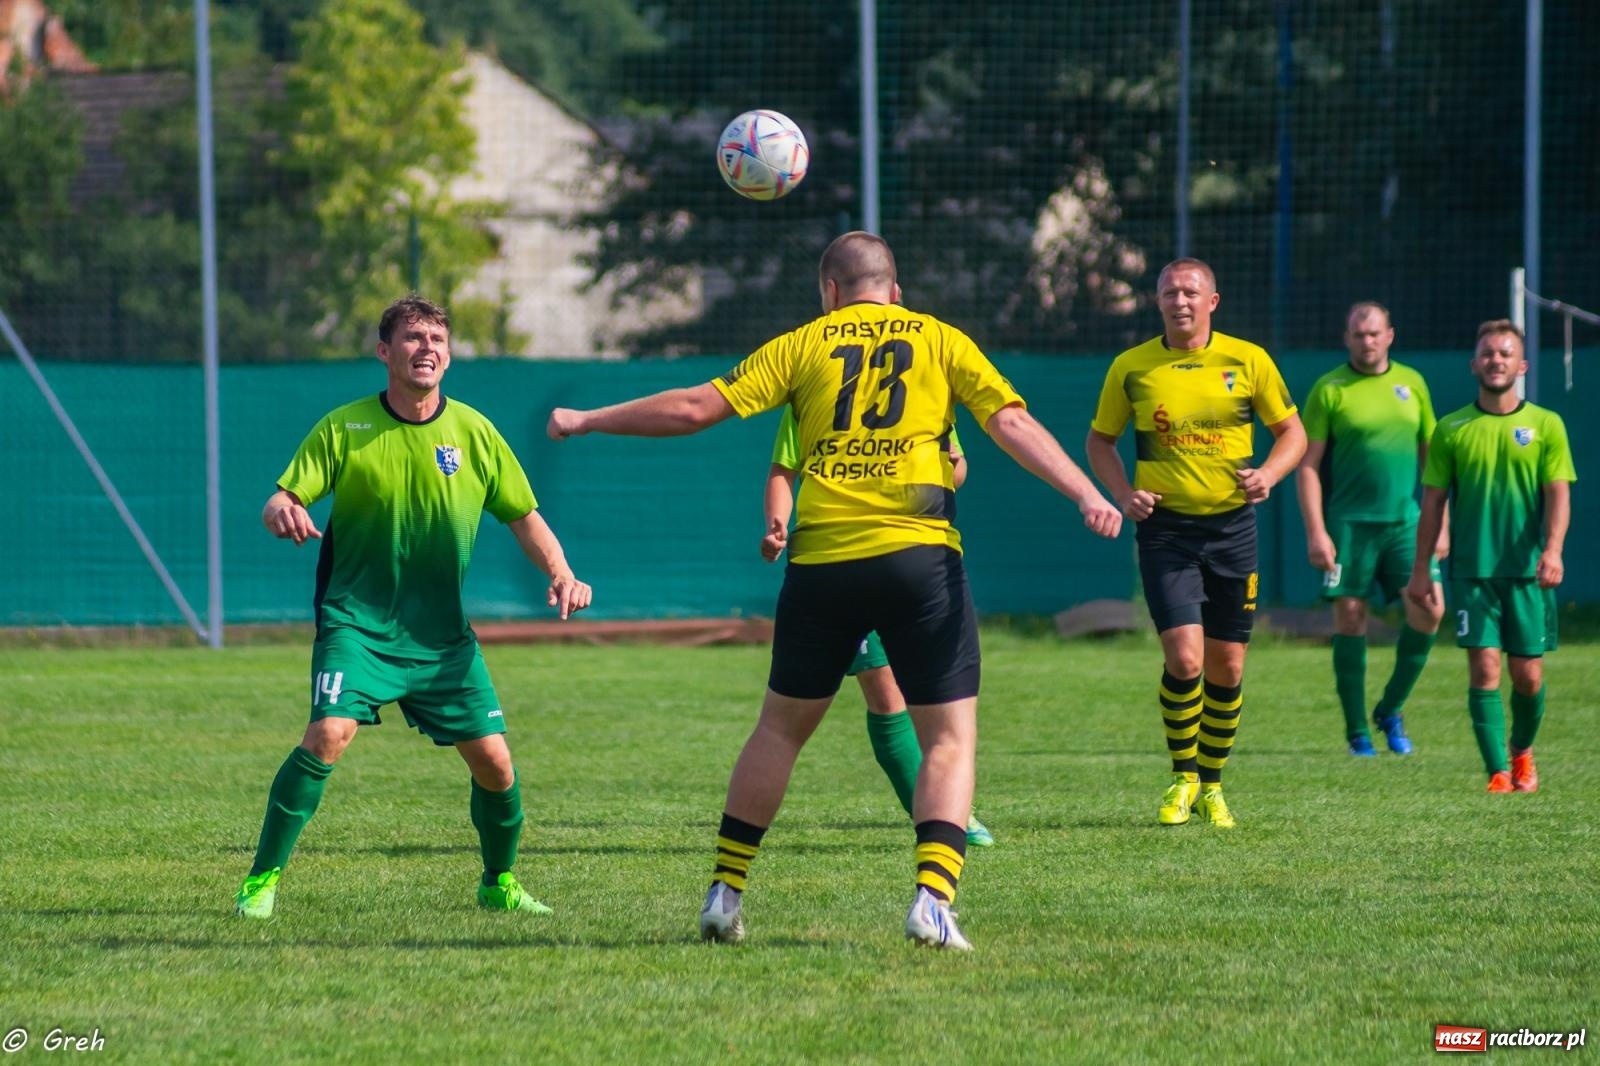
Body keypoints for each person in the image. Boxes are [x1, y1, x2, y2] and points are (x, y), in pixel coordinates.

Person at [547, 231, 1122, 950]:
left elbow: (696, 408)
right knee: (948, 736)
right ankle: (933, 901)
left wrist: (588, 419)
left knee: (780, 730)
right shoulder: (940, 339)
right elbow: (1009, 421)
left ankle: (725, 892)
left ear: (829, 290)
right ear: (897, 289)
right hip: (920, 559)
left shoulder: (803, 343)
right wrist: (1082, 492)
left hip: (823, 566)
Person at [233, 295, 592, 920]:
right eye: (413, 337)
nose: (427, 348)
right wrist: (280, 510)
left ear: (449, 358)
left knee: (496, 763)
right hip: (357, 624)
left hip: (442, 639)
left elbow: (524, 518)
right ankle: (261, 880)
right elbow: (282, 497)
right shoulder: (345, 427)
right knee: (327, 735)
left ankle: (498, 882)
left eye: (438, 340)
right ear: (384, 351)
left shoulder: (476, 434)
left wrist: (562, 572)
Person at [1085, 258, 1306, 829]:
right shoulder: (1132, 368)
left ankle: (1213, 785)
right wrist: (1123, 493)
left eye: (1190, 292)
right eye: (1168, 292)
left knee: (1227, 668)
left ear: (1213, 300)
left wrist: (1271, 476)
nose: (1179, 301)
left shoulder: (1247, 360)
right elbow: (1099, 442)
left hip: (1233, 529)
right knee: (1184, 659)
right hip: (1167, 532)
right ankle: (1182, 777)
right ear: (1156, 301)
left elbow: (1293, 434)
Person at [762, 405, 994, 847]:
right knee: (883, 694)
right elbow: (783, 469)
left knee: (920, 703)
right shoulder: (813, 393)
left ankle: (945, 812)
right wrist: (777, 525)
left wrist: (937, 467)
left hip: (907, 558)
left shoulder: (918, 396)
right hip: (838, 562)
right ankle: (945, 820)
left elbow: (957, 466)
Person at [1407, 320, 1574, 793]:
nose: (1495, 360)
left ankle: (1522, 750)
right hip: (1471, 571)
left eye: (1504, 354)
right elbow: (1433, 503)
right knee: (1484, 668)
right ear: (1473, 364)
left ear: (1520, 365)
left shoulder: (1545, 425)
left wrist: (1554, 550)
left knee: (1528, 676)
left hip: (1527, 573)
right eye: (1487, 353)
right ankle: (1497, 770)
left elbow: (1558, 495)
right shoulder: (1452, 428)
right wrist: (1423, 569)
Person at [1295, 302, 1446, 757]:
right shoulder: (1329, 389)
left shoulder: (1413, 383)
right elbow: (1307, 467)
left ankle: (1391, 707)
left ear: (1390, 335)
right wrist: (1317, 532)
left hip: (1406, 525)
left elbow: (1435, 463)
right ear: (1347, 338)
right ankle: (1357, 731)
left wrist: (1442, 526)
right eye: (1359, 334)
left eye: (1375, 333)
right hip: (1349, 528)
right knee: (1351, 618)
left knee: (1431, 610)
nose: (1367, 341)